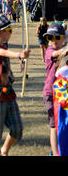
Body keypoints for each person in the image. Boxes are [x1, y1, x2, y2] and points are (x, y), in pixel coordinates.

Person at [0, 13, 30, 156]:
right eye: (9, 30)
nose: (11, 32)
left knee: (17, 128)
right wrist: (19, 55)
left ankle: (3, 152)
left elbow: (4, 52)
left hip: (8, 93)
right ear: (1, 31)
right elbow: (1, 53)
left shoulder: (4, 46)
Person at [43, 22, 67, 156]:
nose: (53, 41)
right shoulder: (49, 51)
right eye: (49, 38)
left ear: (64, 37)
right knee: (54, 125)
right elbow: (58, 53)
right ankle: (55, 153)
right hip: (50, 93)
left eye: (57, 37)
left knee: (63, 123)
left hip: (63, 94)